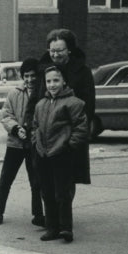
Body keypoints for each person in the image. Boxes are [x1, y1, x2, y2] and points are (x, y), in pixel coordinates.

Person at [25, 28, 95, 190]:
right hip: (44, 140)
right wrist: (32, 132)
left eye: (60, 51)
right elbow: (33, 102)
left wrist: (73, 141)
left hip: (68, 140)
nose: (55, 55)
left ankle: (63, 214)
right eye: (52, 51)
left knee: (66, 183)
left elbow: (88, 107)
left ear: (69, 49)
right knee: (45, 184)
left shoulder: (83, 72)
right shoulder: (43, 71)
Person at [32, 66, 88, 243]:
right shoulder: (40, 104)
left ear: (64, 81)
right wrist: (36, 142)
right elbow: (35, 126)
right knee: (47, 192)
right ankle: (52, 228)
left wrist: (70, 146)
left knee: (62, 193)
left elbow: (81, 128)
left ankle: (66, 228)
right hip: (44, 155)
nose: (52, 84)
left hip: (62, 154)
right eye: (48, 81)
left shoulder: (74, 103)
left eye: (56, 80)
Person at [0, 58, 44, 227]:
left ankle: (38, 214)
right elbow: (6, 115)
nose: (30, 80)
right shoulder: (14, 93)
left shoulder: (41, 92)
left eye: (33, 76)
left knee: (35, 180)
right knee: (6, 178)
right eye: (26, 76)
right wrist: (16, 129)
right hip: (15, 143)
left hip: (33, 144)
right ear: (22, 76)